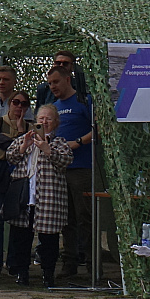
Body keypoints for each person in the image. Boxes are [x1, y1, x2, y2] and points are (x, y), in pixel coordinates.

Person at [5, 105, 76, 286]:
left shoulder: (59, 142)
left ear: (55, 122)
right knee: (21, 237)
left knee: (49, 239)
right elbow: (10, 157)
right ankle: (22, 273)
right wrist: (24, 146)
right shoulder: (25, 138)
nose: (44, 122)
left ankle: (48, 274)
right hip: (25, 197)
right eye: (41, 118)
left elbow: (66, 160)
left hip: (48, 199)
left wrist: (47, 149)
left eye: (48, 119)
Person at [46, 64, 96, 276]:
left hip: (81, 168)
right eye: (50, 83)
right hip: (59, 168)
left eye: (56, 82)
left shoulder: (84, 101)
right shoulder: (54, 106)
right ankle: (69, 262)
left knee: (85, 216)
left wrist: (78, 142)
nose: (53, 86)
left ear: (68, 79)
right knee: (66, 219)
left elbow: (99, 129)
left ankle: (93, 263)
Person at [0, 90, 34, 276]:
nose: (19, 106)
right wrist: (20, 140)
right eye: (16, 102)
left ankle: (14, 262)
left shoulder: (30, 126)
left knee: (17, 219)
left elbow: (25, 150)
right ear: (10, 104)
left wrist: (19, 134)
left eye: (24, 103)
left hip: (20, 177)